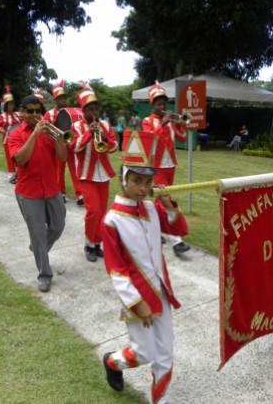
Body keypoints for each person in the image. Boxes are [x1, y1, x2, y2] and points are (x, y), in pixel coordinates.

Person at [101, 130, 188, 404]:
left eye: (147, 182)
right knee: (143, 354)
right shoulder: (111, 220)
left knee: (165, 354)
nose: (142, 187)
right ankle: (113, 361)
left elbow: (179, 227)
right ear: (122, 179)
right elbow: (116, 270)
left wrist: (168, 206)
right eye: (136, 180)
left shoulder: (151, 208)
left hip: (162, 292)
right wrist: (136, 303)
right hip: (138, 298)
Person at [8, 94, 68, 293]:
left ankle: (37, 247)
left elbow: (63, 156)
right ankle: (44, 274)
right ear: (22, 113)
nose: (35, 115)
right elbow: (20, 159)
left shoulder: (50, 132)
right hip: (29, 192)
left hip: (51, 188)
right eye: (31, 111)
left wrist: (60, 139)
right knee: (38, 233)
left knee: (58, 226)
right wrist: (34, 134)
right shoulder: (15, 134)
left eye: (38, 111)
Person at [142, 81, 190, 256]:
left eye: (164, 104)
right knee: (166, 200)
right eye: (159, 104)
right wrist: (163, 123)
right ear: (152, 105)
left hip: (170, 165)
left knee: (158, 201)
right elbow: (151, 139)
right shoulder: (147, 121)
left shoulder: (170, 121)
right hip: (157, 166)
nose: (162, 107)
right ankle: (177, 240)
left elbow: (182, 138)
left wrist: (180, 124)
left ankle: (154, 231)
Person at [71, 84, 118, 262]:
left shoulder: (105, 124)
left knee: (102, 211)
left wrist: (104, 138)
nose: (93, 112)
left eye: (95, 108)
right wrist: (89, 133)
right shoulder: (76, 126)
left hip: (103, 174)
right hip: (85, 174)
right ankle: (89, 244)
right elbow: (74, 147)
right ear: (83, 110)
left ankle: (97, 243)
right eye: (89, 109)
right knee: (93, 211)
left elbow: (114, 147)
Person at [44, 80, 84, 206]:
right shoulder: (49, 114)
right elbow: (45, 130)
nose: (63, 100)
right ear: (55, 100)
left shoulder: (70, 111)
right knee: (58, 171)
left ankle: (80, 195)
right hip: (58, 146)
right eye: (60, 98)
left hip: (70, 145)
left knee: (75, 170)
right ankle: (61, 193)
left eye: (64, 98)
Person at [0, 85, 21, 184]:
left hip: (19, 139)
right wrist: (0, 130)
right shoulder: (2, 116)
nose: (11, 106)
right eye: (9, 104)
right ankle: (11, 174)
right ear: (5, 105)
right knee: (10, 157)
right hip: (7, 139)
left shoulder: (17, 114)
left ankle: (19, 173)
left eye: (12, 104)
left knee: (18, 156)